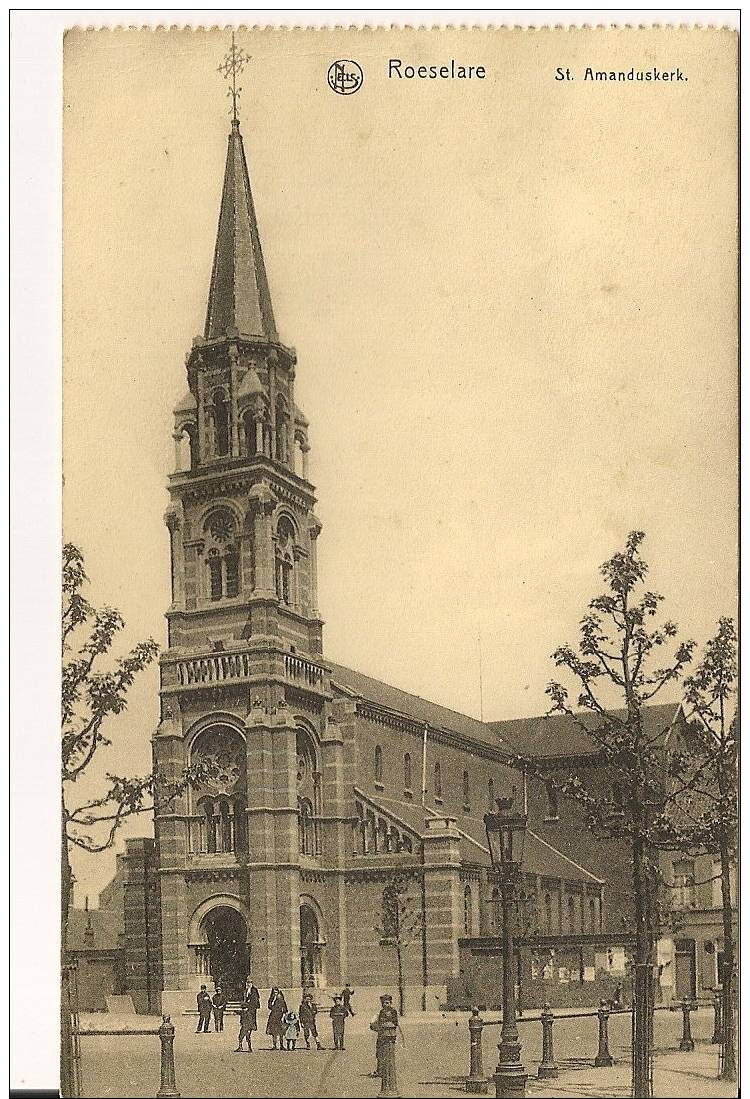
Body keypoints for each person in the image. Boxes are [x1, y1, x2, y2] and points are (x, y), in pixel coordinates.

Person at [369, 994, 402, 1077]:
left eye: (387, 1003)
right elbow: (379, 1023)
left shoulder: (393, 1012)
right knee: (379, 1053)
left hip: (390, 1035)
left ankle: (388, 1071)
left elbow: (395, 1023)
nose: (385, 1005)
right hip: (382, 1035)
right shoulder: (381, 1012)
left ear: (390, 1003)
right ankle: (380, 1070)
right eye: (383, 1003)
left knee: (389, 1053)